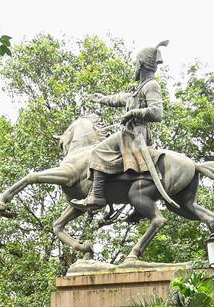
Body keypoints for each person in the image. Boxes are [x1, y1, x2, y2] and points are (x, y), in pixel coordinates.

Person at [72, 42, 168, 209]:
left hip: (136, 133)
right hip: (130, 133)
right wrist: (102, 99)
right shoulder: (139, 89)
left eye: (134, 63)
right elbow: (119, 98)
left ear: (140, 64)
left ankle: (96, 196)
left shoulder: (152, 85)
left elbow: (157, 113)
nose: (133, 67)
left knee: (98, 151)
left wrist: (132, 113)